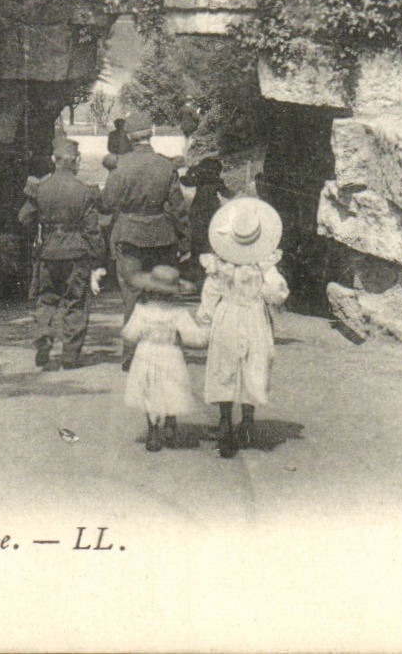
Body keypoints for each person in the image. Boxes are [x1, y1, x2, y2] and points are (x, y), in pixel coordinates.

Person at [197, 197, 288, 459]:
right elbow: (276, 293)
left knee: (224, 365)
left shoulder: (220, 262)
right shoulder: (264, 264)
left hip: (227, 314)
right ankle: (247, 421)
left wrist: (206, 316)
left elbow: (211, 292)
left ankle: (225, 419)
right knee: (254, 364)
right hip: (254, 316)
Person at [100, 111, 187, 370]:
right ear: (152, 134)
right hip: (162, 236)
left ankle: (131, 355)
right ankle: (165, 351)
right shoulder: (166, 166)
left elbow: (107, 202)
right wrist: (185, 241)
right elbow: (179, 208)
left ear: (128, 137)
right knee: (162, 294)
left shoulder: (121, 165)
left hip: (129, 235)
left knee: (131, 295)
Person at [18, 138, 102, 370]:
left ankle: (43, 338)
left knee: (46, 298)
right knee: (76, 302)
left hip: (48, 252)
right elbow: (93, 229)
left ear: (54, 160)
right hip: (77, 253)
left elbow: (24, 218)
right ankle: (70, 355)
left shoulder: (40, 188)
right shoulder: (84, 190)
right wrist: (98, 258)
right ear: (75, 161)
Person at [121, 265, 208, 452]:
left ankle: (153, 430)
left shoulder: (142, 311)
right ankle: (170, 424)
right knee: (171, 389)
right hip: (170, 354)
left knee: (149, 390)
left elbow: (130, 334)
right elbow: (193, 338)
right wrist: (206, 331)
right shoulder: (178, 313)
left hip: (146, 353)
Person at [178, 156, 228, 284]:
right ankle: (208, 272)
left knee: (197, 243)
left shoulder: (199, 179)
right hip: (212, 211)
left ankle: (196, 272)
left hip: (198, 210)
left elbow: (184, 180)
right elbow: (227, 193)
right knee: (210, 242)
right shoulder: (216, 181)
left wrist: (191, 170)